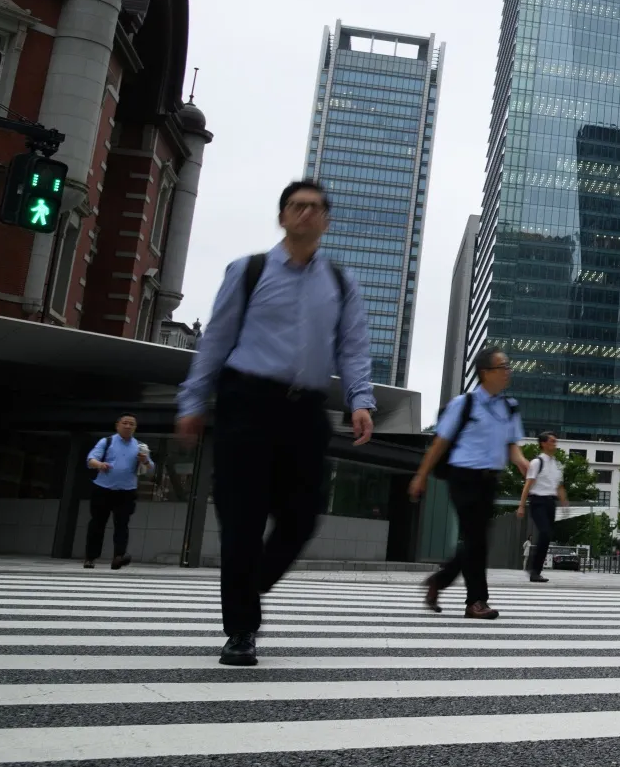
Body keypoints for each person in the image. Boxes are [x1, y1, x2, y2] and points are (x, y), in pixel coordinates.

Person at [178, 180, 374, 668]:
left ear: (326, 221)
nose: (306, 214)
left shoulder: (341, 284)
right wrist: (192, 400)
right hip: (247, 402)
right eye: (296, 206)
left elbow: (352, 349)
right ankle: (241, 629)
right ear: (282, 216)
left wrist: (360, 400)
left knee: (303, 515)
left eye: (315, 208)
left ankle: (249, 587)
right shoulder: (248, 272)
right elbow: (217, 339)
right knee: (241, 520)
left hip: (305, 409)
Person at [411, 346, 526, 618]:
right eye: (502, 367)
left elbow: (512, 444)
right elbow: (440, 443)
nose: (508, 371)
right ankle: (476, 602)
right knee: (476, 539)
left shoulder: (509, 407)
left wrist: (522, 462)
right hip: (463, 476)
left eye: (508, 366)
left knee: (477, 540)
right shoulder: (464, 404)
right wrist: (421, 475)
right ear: (485, 373)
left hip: (490, 479)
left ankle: (438, 582)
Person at [84, 414, 152, 570]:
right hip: (102, 489)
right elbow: (90, 460)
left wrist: (145, 461)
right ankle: (90, 557)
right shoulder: (106, 442)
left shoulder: (140, 446)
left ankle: (118, 557)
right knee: (97, 524)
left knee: (122, 525)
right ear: (118, 425)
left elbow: (151, 469)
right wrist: (100, 464)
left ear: (135, 428)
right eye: (125, 423)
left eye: (131, 424)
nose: (128, 426)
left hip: (126, 492)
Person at [520, 431, 564, 583]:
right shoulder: (537, 462)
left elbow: (558, 486)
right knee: (544, 533)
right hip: (537, 501)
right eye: (552, 441)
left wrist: (564, 502)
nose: (555, 443)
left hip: (551, 503)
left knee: (547, 536)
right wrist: (521, 506)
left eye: (555, 441)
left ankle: (536, 571)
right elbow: (528, 484)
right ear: (543, 443)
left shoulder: (556, 464)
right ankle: (534, 570)